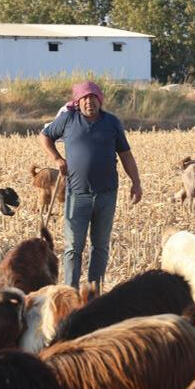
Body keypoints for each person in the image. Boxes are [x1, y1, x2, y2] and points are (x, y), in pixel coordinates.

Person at [40, 81, 142, 290]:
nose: (89, 102)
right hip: (78, 194)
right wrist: (57, 159)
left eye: (93, 98)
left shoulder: (111, 122)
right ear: (78, 102)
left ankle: (93, 293)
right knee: (73, 248)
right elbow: (45, 136)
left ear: (100, 100)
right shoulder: (68, 119)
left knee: (100, 246)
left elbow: (125, 154)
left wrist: (136, 182)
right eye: (84, 98)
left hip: (106, 194)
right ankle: (70, 291)